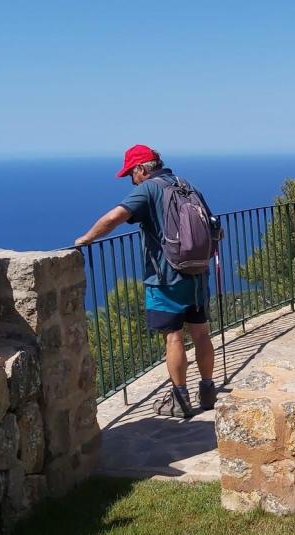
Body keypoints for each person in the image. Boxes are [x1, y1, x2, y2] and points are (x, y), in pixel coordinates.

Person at [75, 144, 219, 417]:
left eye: (131, 173)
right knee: (201, 333)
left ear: (141, 169)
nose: (131, 180)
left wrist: (86, 239)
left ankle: (180, 399)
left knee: (174, 338)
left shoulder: (148, 189)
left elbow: (115, 217)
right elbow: (214, 226)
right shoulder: (186, 184)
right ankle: (208, 390)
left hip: (166, 278)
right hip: (198, 274)